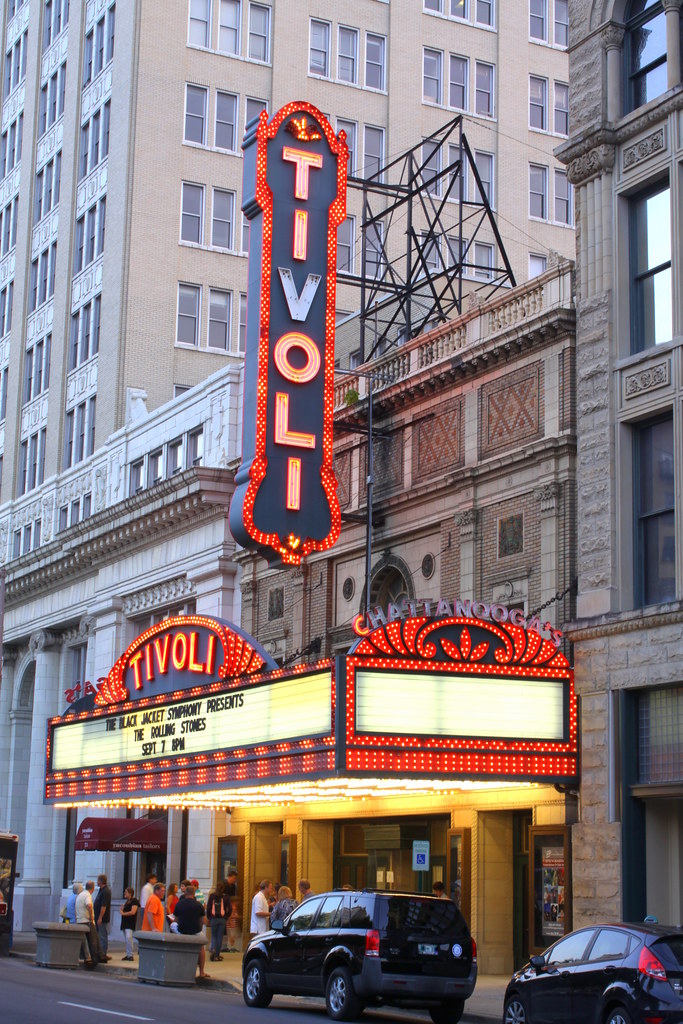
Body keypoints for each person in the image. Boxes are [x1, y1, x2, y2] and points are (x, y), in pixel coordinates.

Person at [173, 883, 210, 980]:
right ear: (194, 894)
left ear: (185, 893)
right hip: (195, 931)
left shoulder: (179, 904)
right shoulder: (199, 905)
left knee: (173, 925)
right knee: (202, 947)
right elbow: (205, 921)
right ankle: (201, 971)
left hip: (182, 930)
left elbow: (175, 920)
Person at [75, 880, 103, 966]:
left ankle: (87, 957)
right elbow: (89, 905)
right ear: (93, 888)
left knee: (84, 941)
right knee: (93, 940)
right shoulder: (87, 895)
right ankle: (96, 958)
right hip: (87, 921)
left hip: (80, 920)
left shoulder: (80, 895)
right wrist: (91, 917)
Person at [206, 880, 231, 961]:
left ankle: (213, 949)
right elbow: (229, 909)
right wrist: (226, 917)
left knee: (213, 936)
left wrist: (209, 917)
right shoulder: (226, 897)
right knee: (220, 937)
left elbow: (209, 908)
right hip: (222, 919)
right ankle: (217, 955)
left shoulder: (212, 896)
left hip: (213, 918)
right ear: (223, 888)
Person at [93, 873, 112, 960]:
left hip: (102, 918)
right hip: (97, 917)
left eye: (97, 880)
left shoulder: (106, 891)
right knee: (99, 935)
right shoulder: (101, 890)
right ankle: (99, 952)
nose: (97, 882)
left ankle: (103, 954)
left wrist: (100, 917)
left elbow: (103, 906)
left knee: (103, 936)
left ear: (100, 881)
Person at [119, 887, 139, 960]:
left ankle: (130, 955)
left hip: (130, 923)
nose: (125, 893)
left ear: (130, 893)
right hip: (125, 922)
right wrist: (122, 909)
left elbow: (133, 912)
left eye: (126, 892)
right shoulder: (127, 901)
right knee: (127, 939)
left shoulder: (134, 901)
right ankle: (128, 954)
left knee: (129, 937)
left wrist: (123, 913)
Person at [225, 870, 239, 953]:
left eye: (235, 879)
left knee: (232, 930)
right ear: (229, 877)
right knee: (230, 930)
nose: (234, 880)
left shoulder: (233, 886)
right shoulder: (225, 885)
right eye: (233, 878)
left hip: (230, 907)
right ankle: (229, 946)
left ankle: (231, 946)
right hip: (226, 909)